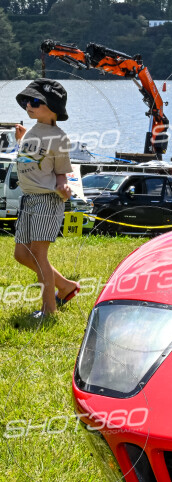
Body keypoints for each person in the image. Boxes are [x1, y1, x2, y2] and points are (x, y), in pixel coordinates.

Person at [12, 78, 79, 323]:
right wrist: (21, 141)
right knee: (21, 254)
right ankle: (66, 286)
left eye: (35, 101)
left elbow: (60, 171)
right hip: (28, 199)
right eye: (27, 101)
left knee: (40, 256)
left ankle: (49, 309)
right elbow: (31, 157)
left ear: (53, 107)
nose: (29, 106)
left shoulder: (58, 137)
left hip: (46, 200)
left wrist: (63, 184)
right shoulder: (33, 130)